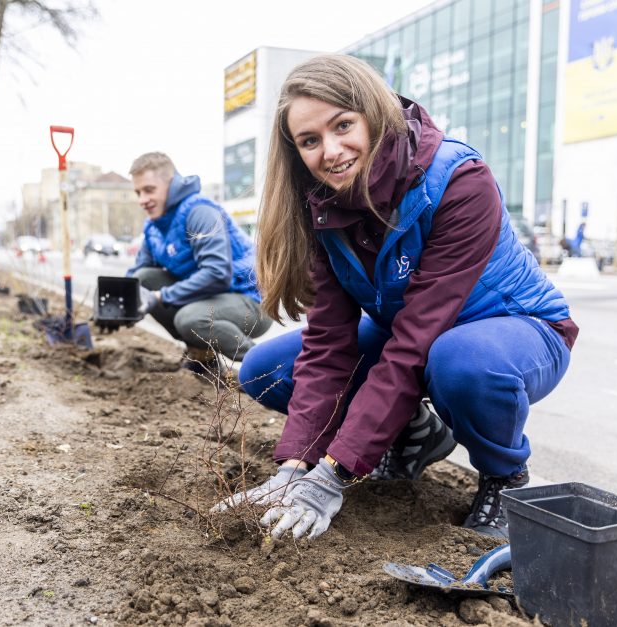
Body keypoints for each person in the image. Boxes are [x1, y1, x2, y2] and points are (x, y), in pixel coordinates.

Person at [216, 55, 578, 541]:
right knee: (268, 368)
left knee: (459, 362)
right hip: (415, 334)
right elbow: (328, 348)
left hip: (516, 330)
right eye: (309, 141)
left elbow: (415, 342)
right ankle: (414, 429)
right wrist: (294, 468)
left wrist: (334, 474)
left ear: (374, 112)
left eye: (343, 125)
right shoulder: (325, 207)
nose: (332, 150)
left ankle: (504, 476)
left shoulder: (458, 180)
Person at [126, 152, 272, 374]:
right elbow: (137, 274)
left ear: (170, 183)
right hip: (213, 297)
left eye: (148, 190)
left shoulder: (199, 212)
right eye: (138, 192)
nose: (141, 200)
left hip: (253, 302)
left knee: (190, 319)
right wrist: (116, 304)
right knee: (141, 280)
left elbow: (217, 274)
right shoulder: (154, 227)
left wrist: (160, 297)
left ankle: (268, 369)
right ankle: (204, 357)